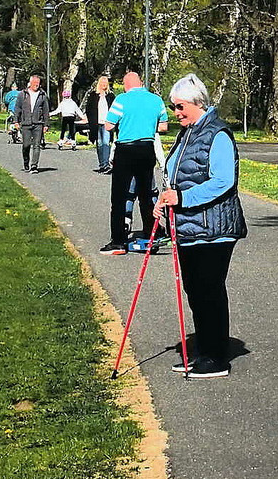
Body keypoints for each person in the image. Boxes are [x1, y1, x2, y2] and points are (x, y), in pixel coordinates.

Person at [156, 74, 246, 379]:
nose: (176, 113)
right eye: (173, 107)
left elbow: (223, 181)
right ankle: (204, 350)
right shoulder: (187, 134)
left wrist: (181, 198)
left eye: (180, 106)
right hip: (188, 229)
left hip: (215, 228)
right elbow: (175, 176)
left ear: (197, 103)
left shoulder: (218, 134)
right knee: (195, 292)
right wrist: (163, 201)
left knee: (209, 291)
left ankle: (216, 357)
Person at [101, 70, 166, 254]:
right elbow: (163, 126)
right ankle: (150, 235)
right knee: (146, 195)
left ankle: (118, 241)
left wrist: (126, 124)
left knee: (120, 196)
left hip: (126, 149)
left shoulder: (121, 99)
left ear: (126, 85)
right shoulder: (156, 100)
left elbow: (108, 125)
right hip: (147, 148)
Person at [14, 74, 49, 172]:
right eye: (34, 83)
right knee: (26, 145)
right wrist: (16, 121)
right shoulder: (22, 94)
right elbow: (17, 108)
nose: (36, 85)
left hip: (38, 123)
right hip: (26, 123)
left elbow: (46, 110)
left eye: (38, 83)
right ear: (30, 83)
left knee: (37, 145)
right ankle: (26, 162)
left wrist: (46, 124)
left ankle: (34, 165)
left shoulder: (42, 95)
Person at [87, 74, 114, 173]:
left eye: (105, 83)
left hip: (107, 123)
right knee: (99, 143)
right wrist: (90, 121)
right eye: (102, 83)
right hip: (96, 123)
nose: (104, 85)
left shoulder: (110, 96)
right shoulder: (93, 95)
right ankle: (102, 164)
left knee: (106, 143)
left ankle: (106, 164)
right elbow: (88, 109)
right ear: (99, 84)